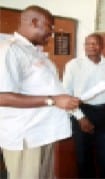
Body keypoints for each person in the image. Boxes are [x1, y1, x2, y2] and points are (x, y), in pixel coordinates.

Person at [0, 5, 80, 179]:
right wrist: (53, 100)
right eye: (49, 26)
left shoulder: (36, 53)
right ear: (34, 22)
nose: (52, 32)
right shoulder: (10, 50)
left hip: (43, 133)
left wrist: (64, 100)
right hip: (26, 138)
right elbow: (2, 97)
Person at [63, 32, 105, 178]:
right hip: (82, 111)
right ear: (84, 46)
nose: (91, 46)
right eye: (88, 43)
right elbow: (67, 95)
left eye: (95, 43)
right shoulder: (73, 65)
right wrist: (80, 118)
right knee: (83, 158)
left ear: (102, 46)